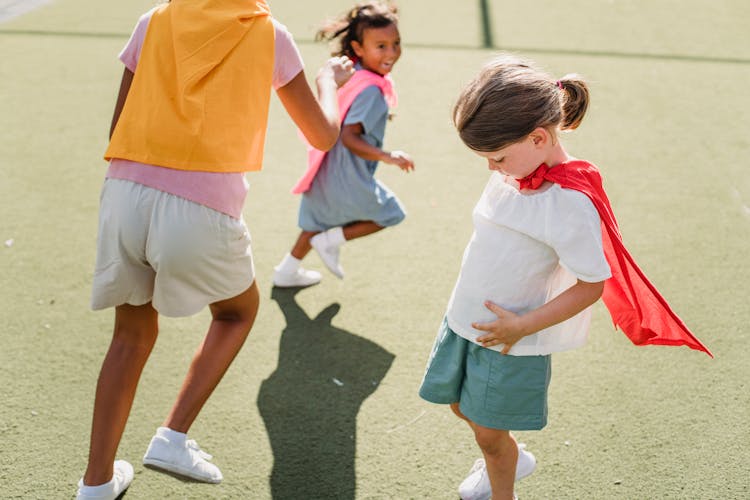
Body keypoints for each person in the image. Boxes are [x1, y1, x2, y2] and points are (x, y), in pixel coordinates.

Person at [76, 1, 354, 499]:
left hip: (123, 194)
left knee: (130, 335)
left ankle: (94, 485)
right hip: (199, 208)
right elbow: (323, 134)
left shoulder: (155, 19)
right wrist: (330, 81)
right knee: (236, 312)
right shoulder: (270, 33)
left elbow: (117, 126)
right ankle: (171, 437)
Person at [418, 54, 710, 500]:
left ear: (538, 138)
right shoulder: (513, 171)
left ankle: (503, 482)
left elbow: (591, 284)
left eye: (496, 157)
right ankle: (509, 456)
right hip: (464, 320)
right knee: (462, 406)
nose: (491, 168)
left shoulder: (569, 202)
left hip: (510, 340)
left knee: (489, 435)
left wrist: (523, 325)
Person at [272, 0, 414, 287]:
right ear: (358, 48)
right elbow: (349, 138)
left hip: (326, 169)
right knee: (391, 214)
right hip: (347, 174)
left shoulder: (355, 74)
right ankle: (332, 239)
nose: (392, 52)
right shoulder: (371, 90)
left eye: (395, 43)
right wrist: (389, 157)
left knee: (315, 222)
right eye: (381, 46)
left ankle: (286, 271)